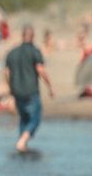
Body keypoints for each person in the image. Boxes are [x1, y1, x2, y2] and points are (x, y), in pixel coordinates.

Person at [4, 24, 55, 152]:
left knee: (23, 117)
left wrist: (10, 87)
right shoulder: (34, 51)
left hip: (16, 91)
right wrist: (50, 87)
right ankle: (22, 141)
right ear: (32, 36)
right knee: (35, 118)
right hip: (31, 91)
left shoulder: (12, 52)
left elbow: (6, 72)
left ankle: (22, 142)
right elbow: (41, 70)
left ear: (22, 35)